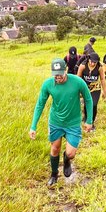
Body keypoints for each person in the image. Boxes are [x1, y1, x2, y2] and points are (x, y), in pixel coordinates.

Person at [30, 58, 94, 186]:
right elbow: (40, 104)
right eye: (55, 74)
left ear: (66, 70)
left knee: (71, 153)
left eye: (60, 73)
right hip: (56, 122)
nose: (57, 77)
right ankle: (54, 175)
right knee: (55, 148)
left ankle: (66, 159)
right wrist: (33, 126)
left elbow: (88, 99)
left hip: (73, 123)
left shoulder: (77, 82)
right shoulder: (48, 84)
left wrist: (89, 120)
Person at [77, 53, 106, 130]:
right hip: (85, 88)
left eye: (95, 62)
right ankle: (86, 118)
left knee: (93, 104)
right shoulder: (83, 66)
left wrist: (104, 91)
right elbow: (78, 78)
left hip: (95, 88)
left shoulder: (99, 67)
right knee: (87, 104)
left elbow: (102, 79)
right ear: (88, 59)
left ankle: (91, 122)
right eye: (91, 62)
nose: (93, 64)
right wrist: (77, 91)